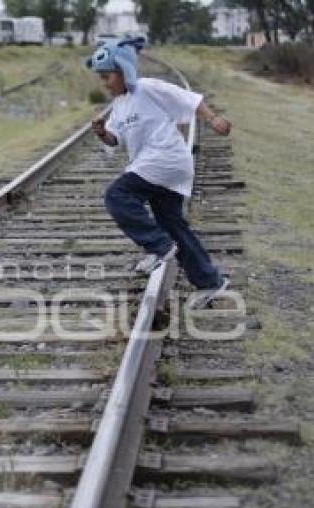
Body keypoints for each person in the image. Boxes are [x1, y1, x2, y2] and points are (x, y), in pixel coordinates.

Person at [86, 38, 232, 309]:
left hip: (165, 158)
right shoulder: (119, 104)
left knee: (117, 195)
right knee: (174, 225)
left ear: (123, 70)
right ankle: (210, 281)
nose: (104, 83)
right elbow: (115, 141)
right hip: (162, 166)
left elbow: (189, 99)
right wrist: (103, 133)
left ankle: (159, 247)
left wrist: (212, 119)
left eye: (107, 76)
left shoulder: (147, 88)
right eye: (101, 77)